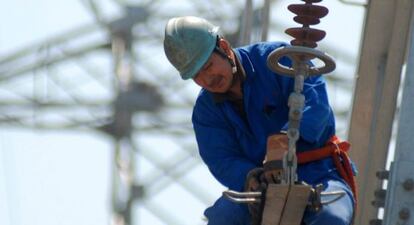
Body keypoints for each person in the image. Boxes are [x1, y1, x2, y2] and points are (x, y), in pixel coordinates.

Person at [163, 16, 356, 225]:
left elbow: (317, 106)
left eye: (209, 66)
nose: (207, 79)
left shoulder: (279, 61)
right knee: (221, 219)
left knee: (332, 218)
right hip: (261, 187)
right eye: (197, 75)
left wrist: (282, 142)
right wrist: (250, 177)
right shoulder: (206, 111)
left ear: (225, 48)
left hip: (319, 172)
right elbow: (222, 159)